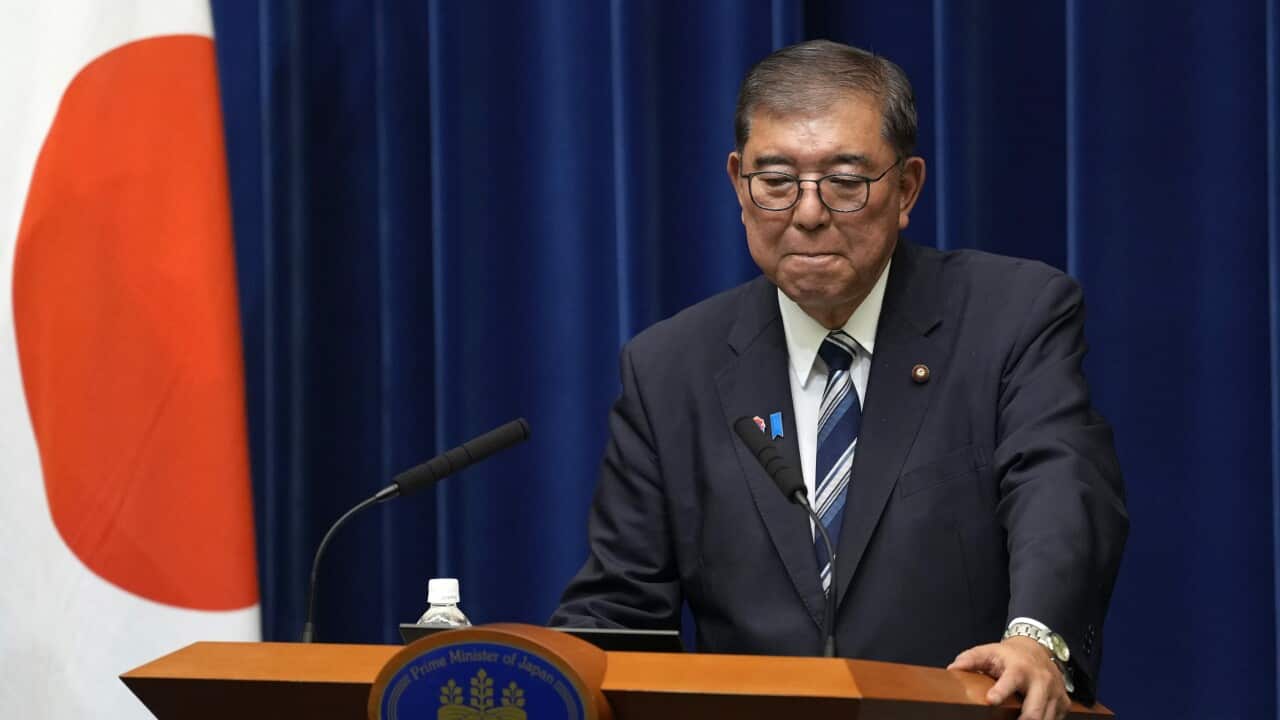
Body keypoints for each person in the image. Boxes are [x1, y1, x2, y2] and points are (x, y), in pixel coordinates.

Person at [551, 39, 1127, 720]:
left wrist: (1035, 640)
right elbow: (620, 610)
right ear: (739, 185)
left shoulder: (1010, 316)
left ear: (906, 188)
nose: (808, 212)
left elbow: (1060, 488)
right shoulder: (670, 367)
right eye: (776, 181)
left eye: (846, 182)